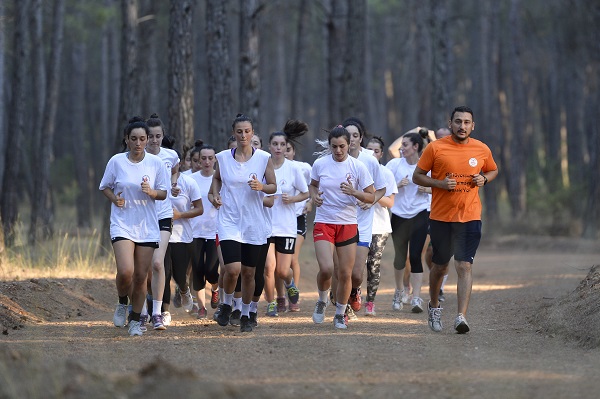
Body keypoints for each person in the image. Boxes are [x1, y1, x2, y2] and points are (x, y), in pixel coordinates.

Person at [413, 106, 498, 334]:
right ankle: (434, 305)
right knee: (440, 266)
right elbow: (417, 176)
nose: (462, 126)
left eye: (467, 122)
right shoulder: (435, 147)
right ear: (450, 124)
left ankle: (461, 316)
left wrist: (484, 179)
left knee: (464, 265)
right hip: (441, 217)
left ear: (473, 125)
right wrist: (440, 183)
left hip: (470, 216)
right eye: (458, 122)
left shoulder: (481, 149)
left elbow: (492, 170)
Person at [99, 116, 168, 336]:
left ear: (148, 140)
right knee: (126, 271)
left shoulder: (156, 164)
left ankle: (136, 320)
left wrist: (152, 192)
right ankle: (122, 302)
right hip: (122, 223)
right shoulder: (116, 161)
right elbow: (105, 186)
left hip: (147, 226)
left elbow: (164, 193)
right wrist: (114, 199)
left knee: (141, 277)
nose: (138, 143)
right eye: (134, 139)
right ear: (126, 140)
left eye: (142, 139)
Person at [210, 114, 277, 333]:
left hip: (253, 222)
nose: (243, 135)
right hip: (229, 220)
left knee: (249, 272)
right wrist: (215, 194)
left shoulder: (263, 158)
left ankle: (247, 313)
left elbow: (273, 187)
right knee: (232, 269)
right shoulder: (223, 157)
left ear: (253, 132)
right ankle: (227, 304)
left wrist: (261, 186)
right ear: (233, 133)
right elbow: (217, 179)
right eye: (239, 131)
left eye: (247, 131)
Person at [310, 125, 375, 329]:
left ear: (349, 145)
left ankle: (339, 313)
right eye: (334, 147)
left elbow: (371, 195)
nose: (338, 151)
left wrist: (354, 192)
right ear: (329, 146)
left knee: (346, 274)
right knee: (327, 268)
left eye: (342, 147)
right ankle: (321, 300)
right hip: (324, 221)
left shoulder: (358, 167)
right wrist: (314, 196)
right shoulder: (320, 164)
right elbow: (312, 185)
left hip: (347, 223)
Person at [339, 117, 386, 320]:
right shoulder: (334, 158)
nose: (352, 139)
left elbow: (382, 188)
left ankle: (355, 290)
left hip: (363, 223)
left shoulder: (369, 160)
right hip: (340, 220)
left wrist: (372, 200)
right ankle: (343, 307)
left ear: (361, 138)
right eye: (348, 136)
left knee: (357, 274)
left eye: (356, 136)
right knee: (342, 271)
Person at [263, 120, 309, 316]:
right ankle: (271, 302)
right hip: (266, 225)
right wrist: (265, 199)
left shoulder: (293, 168)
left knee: (282, 270)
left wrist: (292, 199)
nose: (279, 148)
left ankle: (290, 284)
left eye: (282, 145)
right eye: (275, 144)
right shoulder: (262, 166)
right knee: (268, 267)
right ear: (269, 146)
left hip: (287, 226)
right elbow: (256, 193)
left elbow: (306, 193)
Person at [386, 133, 431, 314]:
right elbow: (383, 187)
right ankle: (398, 292)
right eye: (401, 145)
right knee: (400, 257)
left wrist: (426, 188)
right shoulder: (394, 165)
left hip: (420, 213)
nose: (401, 148)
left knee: (415, 256)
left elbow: (439, 188)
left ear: (416, 147)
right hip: (399, 215)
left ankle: (417, 297)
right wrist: (398, 184)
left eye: (405, 145)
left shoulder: (427, 167)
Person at [144, 113, 180, 330]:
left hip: (164, 214)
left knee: (158, 263)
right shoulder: (138, 157)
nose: (154, 140)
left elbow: (175, 168)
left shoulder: (171, 155)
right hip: (142, 217)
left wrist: (174, 183)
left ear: (162, 136)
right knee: (145, 269)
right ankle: (145, 305)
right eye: (150, 136)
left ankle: (158, 313)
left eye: (158, 136)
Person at [364, 136, 397, 316]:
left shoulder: (385, 173)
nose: (372, 154)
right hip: (358, 224)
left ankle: (370, 302)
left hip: (379, 227)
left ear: (381, 154)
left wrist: (371, 197)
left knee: (373, 265)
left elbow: (390, 203)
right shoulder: (357, 168)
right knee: (356, 266)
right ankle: (353, 296)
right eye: (369, 150)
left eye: (376, 151)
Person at [188, 145, 220, 318]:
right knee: (198, 270)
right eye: (204, 158)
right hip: (195, 231)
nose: (207, 161)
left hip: (215, 230)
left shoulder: (220, 179)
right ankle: (201, 307)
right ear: (198, 160)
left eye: (210, 158)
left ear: (215, 159)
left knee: (211, 270)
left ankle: (215, 288)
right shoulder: (191, 180)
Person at [283, 140, 312, 312]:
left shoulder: (303, 168)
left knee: (292, 258)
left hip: (298, 217)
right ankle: (281, 296)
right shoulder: (272, 167)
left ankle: (294, 295)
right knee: (280, 263)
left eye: (288, 149)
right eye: (282, 149)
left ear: (294, 151)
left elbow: (311, 189)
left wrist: (310, 203)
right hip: (279, 220)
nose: (285, 152)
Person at [424, 127, 451, 302]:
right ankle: (436, 275)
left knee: (439, 252)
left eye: (443, 137)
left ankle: (439, 285)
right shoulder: (428, 156)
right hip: (425, 211)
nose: (439, 140)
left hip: (445, 212)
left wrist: (429, 188)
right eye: (437, 137)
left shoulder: (452, 160)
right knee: (428, 252)